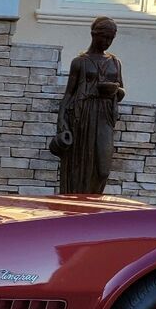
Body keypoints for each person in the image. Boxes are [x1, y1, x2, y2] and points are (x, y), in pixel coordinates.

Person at [54, 16, 125, 194]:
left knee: (103, 169)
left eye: (111, 39)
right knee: (79, 166)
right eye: (105, 37)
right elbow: (69, 93)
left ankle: (93, 203)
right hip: (82, 116)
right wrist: (61, 120)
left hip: (104, 117)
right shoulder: (79, 62)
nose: (108, 42)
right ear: (94, 35)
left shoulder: (115, 62)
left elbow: (121, 91)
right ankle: (75, 207)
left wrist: (115, 91)